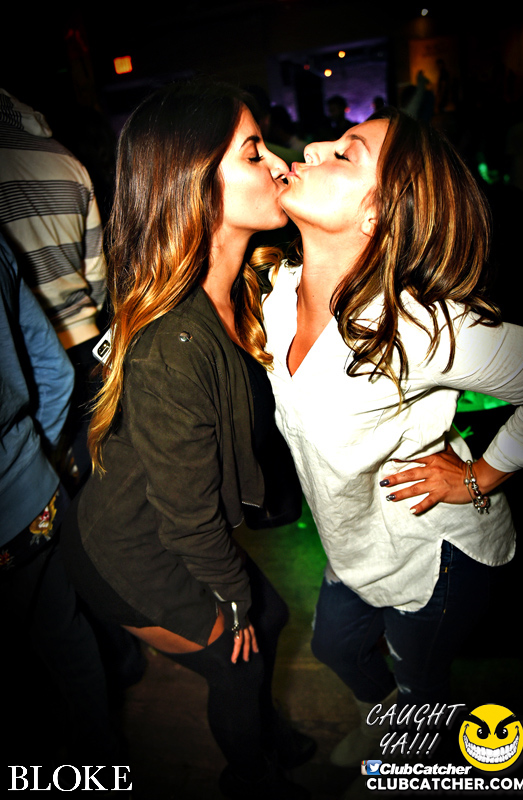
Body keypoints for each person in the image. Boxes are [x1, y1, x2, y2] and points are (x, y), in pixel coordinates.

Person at [262, 106, 523, 775]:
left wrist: (482, 474)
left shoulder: (418, 327)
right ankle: (384, 722)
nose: (315, 147)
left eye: (346, 153)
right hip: (353, 543)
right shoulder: (280, 290)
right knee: (335, 648)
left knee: (421, 692)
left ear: (376, 215)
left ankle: (412, 763)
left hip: (433, 556)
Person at [60, 80, 313, 799]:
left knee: (272, 617)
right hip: (128, 553)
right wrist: (231, 598)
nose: (279, 163)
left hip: (162, 525)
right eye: (253, 152)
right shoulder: (175, 343)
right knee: (241, 656)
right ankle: (252, 778)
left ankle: (265, 735)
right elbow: (189, 519)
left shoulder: (241, 287)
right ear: (195, 184)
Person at [0, 232, 120, 771]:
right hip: (33, 496)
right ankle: (100, 764)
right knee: (65, 634)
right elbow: (52, 367)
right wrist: (35, 456)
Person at [0, 88, 108, 488]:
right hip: (86, 340)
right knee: (100, 472)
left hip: (25, 357)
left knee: (45, 480)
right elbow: (97, 272)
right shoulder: (66, 160)